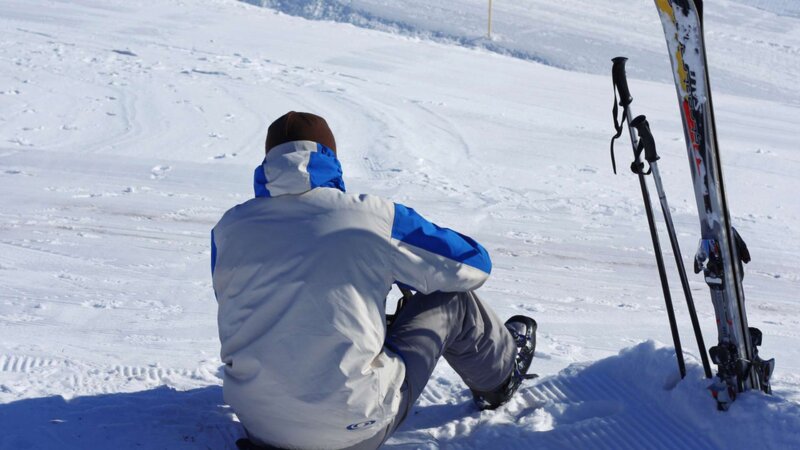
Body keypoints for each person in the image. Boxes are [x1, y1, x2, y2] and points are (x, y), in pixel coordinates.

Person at [211, 111, 537, 450]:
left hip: (258, 423)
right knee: (450, 300)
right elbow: (474, 265)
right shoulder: (369, 216)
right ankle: (500, 377)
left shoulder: (228, 229)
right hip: (351, 429)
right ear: (330, 157)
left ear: (268, 160)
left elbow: (240, 302)